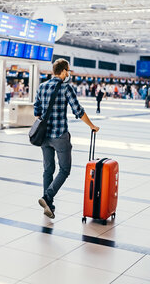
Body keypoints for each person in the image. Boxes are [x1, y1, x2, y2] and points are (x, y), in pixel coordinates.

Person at [34, 59, 100, 219]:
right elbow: (78, 110)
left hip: (44, 137)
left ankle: (48, 204)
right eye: (68, 71)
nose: (68, 74)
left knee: (48, 170)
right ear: (63, 71)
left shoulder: (42, 87)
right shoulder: (65, 87)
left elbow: (36, 110)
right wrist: (92, 125)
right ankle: (48, 197)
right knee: (64, 169)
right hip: (60, 136)